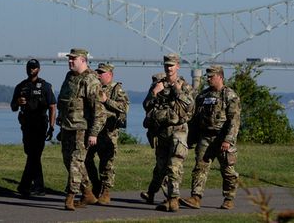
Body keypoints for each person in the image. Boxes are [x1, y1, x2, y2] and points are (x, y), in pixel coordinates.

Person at [180, 65, 241, 210]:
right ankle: (196, 197)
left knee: (228, 170)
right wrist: (190, 139)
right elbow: (195, 119)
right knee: (200, 168)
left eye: (211, 76)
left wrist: (228, 140)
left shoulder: (230, 96)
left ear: (220, 76)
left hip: (222, 138)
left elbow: (234, 121)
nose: (207, 79)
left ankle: (229, 198)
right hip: (205, 137)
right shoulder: (203, 96)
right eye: (207, 76)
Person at [140, 53, 195, 212]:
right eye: (166, 65)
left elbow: (190, 108)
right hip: (162, 132)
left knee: (174, 166)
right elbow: (146, 105)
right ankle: (156, 194)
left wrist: (178, 91)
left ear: (177, 66)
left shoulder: (184, 86)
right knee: (161, 167)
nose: (169, 68)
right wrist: (155, 93)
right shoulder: (158, 85)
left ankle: (173, 200)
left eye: (172, 65)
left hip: (178, 131)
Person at [57, 48, 107, 211]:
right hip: (67, 126)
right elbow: (65, 102)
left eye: (73, 59)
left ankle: (70, 196)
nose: (70, 61)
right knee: (67, 160)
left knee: (75, 162)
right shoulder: (69, 77)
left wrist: (93, 133)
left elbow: (98, 110)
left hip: (82, 129)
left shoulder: (91, 79)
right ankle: (88, 194)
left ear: (83, 60)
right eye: (69, 59)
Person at [10, 58, 56, 197]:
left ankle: (26, 185)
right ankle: (36, 187)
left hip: (41, 124)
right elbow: (13, 107)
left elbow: (53, 107)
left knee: (34, 155)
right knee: (31, 154)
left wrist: (52, 127)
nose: (31, 70)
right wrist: (17, 102)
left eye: (34, 68)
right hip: (26, 125)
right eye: (30, 67)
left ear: (39, 69)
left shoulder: (45, 86)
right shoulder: (20, 86)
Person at [85, 62, 130, 205]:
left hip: (108, 132)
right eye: (97, 72)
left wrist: (107, 100)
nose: (98, 75)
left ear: (110, 75)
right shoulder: (94, 87)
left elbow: (124, 107)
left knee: (106, 163)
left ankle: (105, 191)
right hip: (93, 130)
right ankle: (96, 184)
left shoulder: (117, 89)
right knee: (86, 159)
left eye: (101, 73)